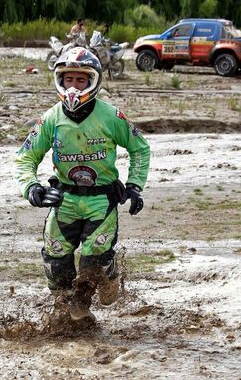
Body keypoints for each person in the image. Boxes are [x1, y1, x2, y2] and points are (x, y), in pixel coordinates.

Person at [14, 47, 150, 323]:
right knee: (56, 262)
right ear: (59, 81)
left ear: (93, 81)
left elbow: (140, 148)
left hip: (101, 201)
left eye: (80, 80)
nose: (73, 86)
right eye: (68, 80)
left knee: (92, 267)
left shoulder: (111, 116)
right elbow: (26, 156)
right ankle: (70, 316)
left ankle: (105, 276)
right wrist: (32, 187)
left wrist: (135, 185)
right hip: (63, 199)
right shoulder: (51, 118)